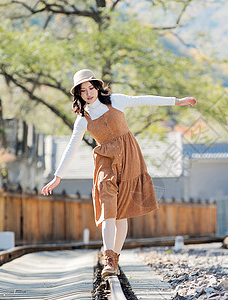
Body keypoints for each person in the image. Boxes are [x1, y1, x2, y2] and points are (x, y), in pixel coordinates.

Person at [41, 69, 196, 278]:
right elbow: (71, 147)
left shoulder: (116, 101)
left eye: (91, 88)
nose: (88, 93)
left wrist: (177, 102)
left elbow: (144, 100)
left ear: (97, 87)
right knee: (108, 208)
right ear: (78, 94)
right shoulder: (82, 119)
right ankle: (108, 258)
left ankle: (115, 258)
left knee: (122, 213)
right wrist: (58, 176)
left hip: (129, 157)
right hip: (105, 162)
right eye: (83, 91)